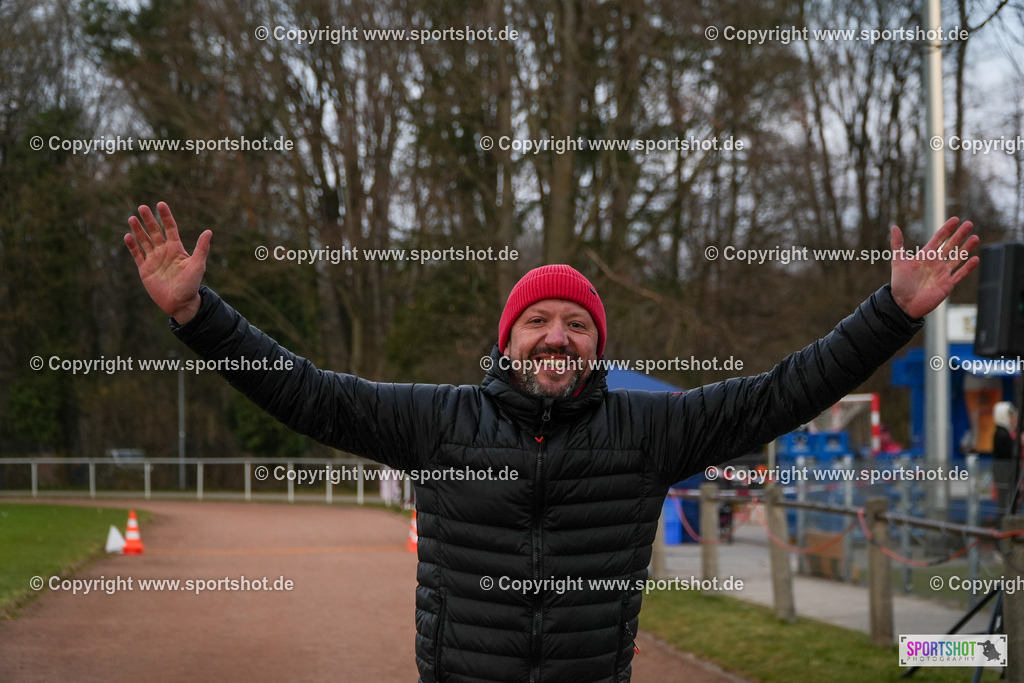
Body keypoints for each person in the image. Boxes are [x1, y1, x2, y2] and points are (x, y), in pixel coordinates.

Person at [125, 203, 978, 682]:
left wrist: (891, 314)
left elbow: (787, 390)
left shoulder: (653, 430)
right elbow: (303, 391)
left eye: (577, 323)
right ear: (507, 339)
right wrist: (201, 317)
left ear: (598, 345)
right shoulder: (438, 421)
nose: (557, 336)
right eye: (538, 321)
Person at [992, 400, 1019, 514]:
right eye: (1010, 415)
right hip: (1005, 474)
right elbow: (1012, 452)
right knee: (1006, 502)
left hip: (1005, 473)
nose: (1013, 418)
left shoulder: (1004, 433)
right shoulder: (1002, 434)